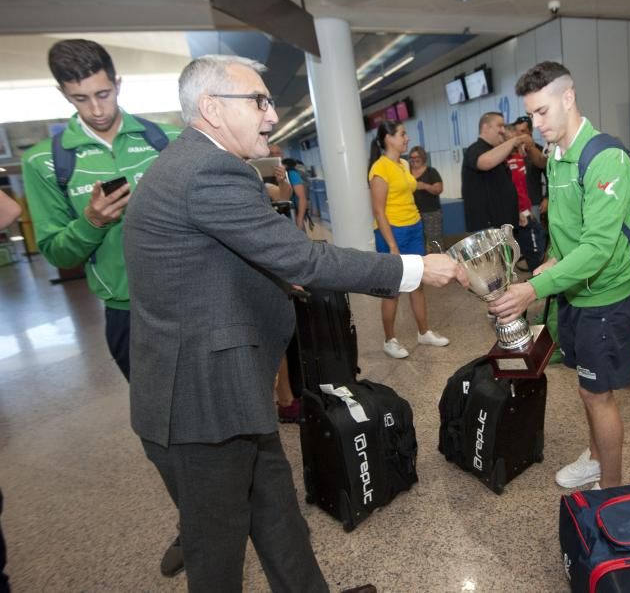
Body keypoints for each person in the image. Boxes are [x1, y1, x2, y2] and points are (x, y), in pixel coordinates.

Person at [124, 55, 465, 592]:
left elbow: (215, 264)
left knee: (278, 516)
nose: (271, 112)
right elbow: (305, 257)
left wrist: (280, 282)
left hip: (227, 392)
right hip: (199, 407)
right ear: (211, 109)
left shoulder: (197, 163)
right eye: (258, 101)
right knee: (216, 559)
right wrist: (414, 268)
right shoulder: (207, 171)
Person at [19, 38, 185, 577]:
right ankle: (195, 520)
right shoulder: (46, 162)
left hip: (191, 297)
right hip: (127, 313)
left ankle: (240, 505)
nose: (95, 107)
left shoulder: (168, 139)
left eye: (103, 93)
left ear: (118, 83)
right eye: (80, 98)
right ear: (63, 95)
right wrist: (91, 221)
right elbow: (55, 250)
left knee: (228, 409)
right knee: (160, 428)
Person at [491, 61, 630, 490]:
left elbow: (597, 248)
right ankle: (595, 458)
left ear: (568, 97)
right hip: (576, 295)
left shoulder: (605, 159)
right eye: (531, 114)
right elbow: (565, 229)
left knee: (599, 394)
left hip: (608, 298)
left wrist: (532, 288)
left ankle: (610, 489)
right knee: (586, 390)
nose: (536, 124)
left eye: (542, 112)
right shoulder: (557, 156)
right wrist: (551, 260)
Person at [368, 121, 450, 359]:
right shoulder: (379, 169)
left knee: (417, 283)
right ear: (388, 139)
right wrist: (392, 245)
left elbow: (410, 190)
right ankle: (389, 340)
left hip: (414, 228)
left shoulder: (403, 164)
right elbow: (378, 211)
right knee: (392, 289)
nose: (407, 138)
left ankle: (423, 332)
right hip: (392, 232)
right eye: (402, 134)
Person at [461, 112, 533, 232]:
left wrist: (515, 212)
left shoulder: (496, 153)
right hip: (487, 228)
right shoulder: (475, 149)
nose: (503, 130)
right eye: (500, 126)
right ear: (485, 127)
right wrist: (514, 140)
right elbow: (485, 162)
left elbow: (500, 188)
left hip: (502, 225)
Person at [508, 116, 548, 270]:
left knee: (535, 238)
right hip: (514, 206)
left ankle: (537, 268)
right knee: (518, 239)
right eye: (517, 132)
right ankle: (527, 262)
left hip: (534, 202)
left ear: (531, 131)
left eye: (523, 131)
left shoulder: (537, 151)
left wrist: (547, 198)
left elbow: (550, 175)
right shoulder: (508, 153)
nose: (520, 135)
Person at [408, 145, 444, 253]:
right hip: (412, 214)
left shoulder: (431, 172)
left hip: (431, 213)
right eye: (412, 158)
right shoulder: (407, 173)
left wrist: (425, 186)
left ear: (423, 157)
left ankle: (440, 262)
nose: (414, 160)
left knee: (435, 240)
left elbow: (439, 189)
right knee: (418, 241)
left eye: (417, 157)